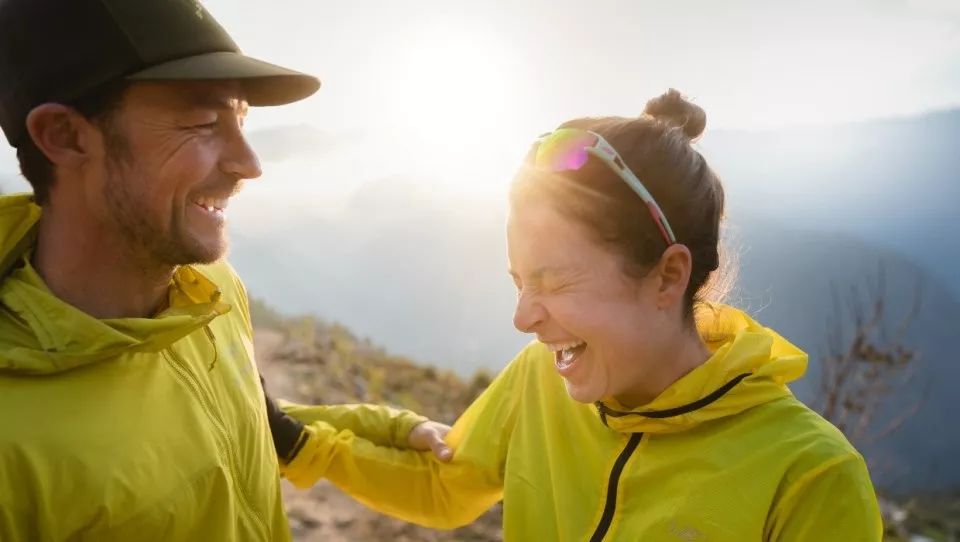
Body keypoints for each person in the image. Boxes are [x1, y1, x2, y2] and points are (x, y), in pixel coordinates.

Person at [281, 90, 884, 540]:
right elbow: (446, 487)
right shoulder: (541, 380)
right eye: (519, 282)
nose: (522, 318)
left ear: (668, 276)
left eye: (553, 281)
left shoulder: (809, 476)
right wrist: (290, 438)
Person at [0, 1, 449, 540]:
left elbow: (247, 422)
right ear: (65, 136)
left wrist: (396, 429)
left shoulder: (209, 289)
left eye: (240, 120)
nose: (250, 163)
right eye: (202, 122)